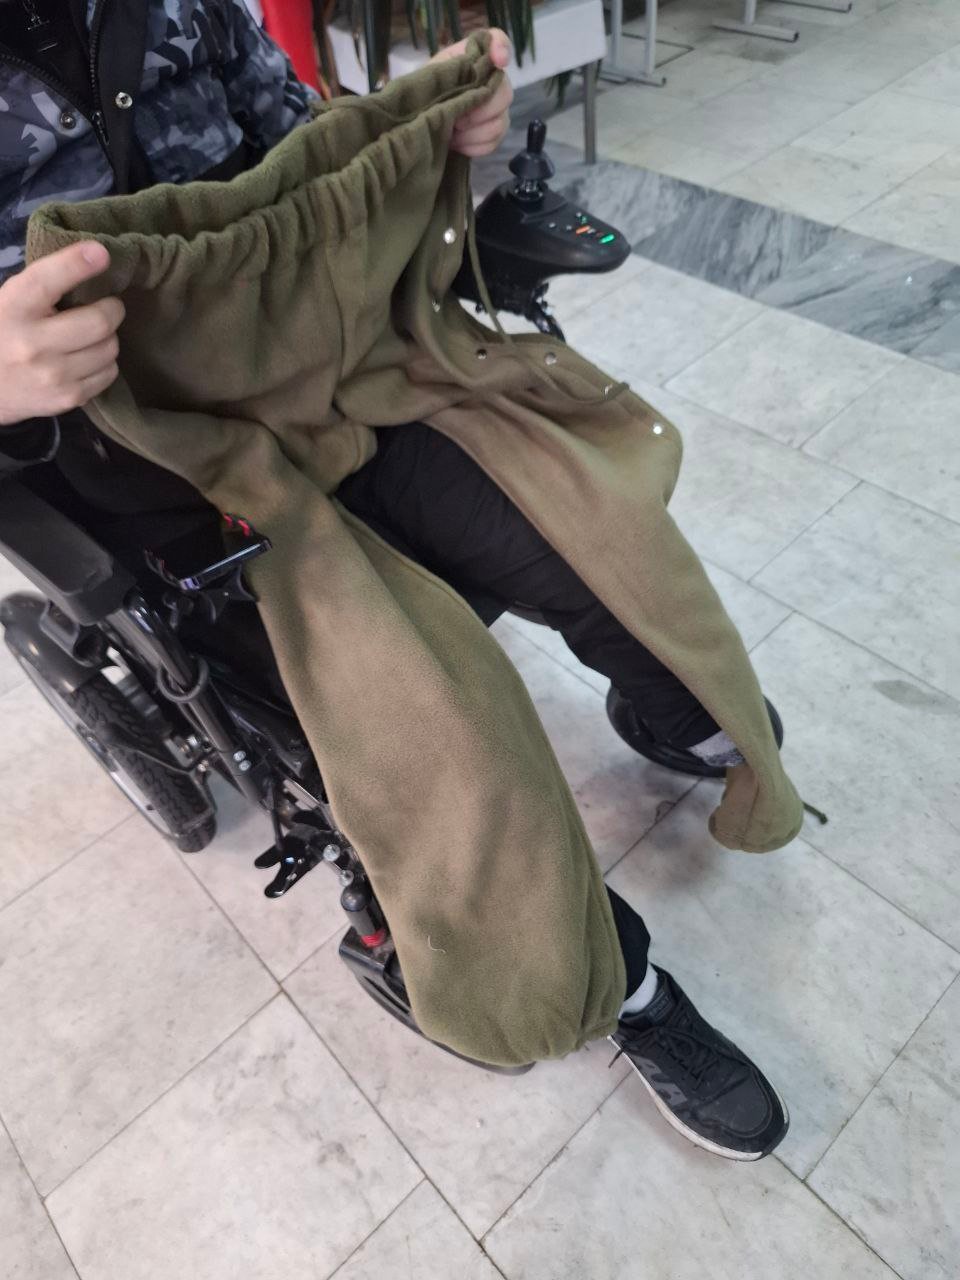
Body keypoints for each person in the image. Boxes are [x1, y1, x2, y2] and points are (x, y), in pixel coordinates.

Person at [0, 0, 788, 1160]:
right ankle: (618, 989)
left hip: (326, 370)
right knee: (440, 738)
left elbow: (294, 141)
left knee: (587, 524)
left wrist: (423, 144)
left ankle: (689, 711)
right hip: (155, 470)